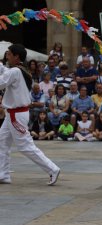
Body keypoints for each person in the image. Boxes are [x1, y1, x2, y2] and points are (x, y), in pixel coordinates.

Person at [0, 44, 60, 185]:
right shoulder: (21, 70)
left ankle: (52, 169)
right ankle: (3, 174)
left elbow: (2, 81)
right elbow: (6, 71)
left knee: (25, 146)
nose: (6, 55)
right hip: (13, 114)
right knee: (2, 141)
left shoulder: (15, 71)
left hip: (16, 115)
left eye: (9, 53)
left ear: (16, 57)